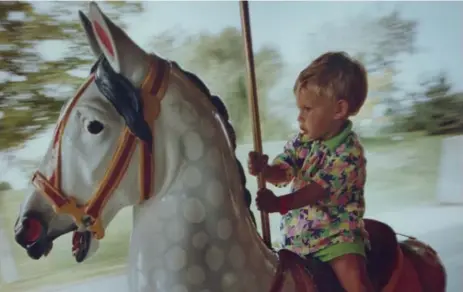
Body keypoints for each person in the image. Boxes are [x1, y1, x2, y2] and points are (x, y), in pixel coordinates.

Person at [248, 52, 374, 292]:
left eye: (307, 109)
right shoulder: (303, 141)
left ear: (339, 109)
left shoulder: (349, 153)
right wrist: (265, 170)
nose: (299, 117)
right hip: (297, 239)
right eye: (299, 108)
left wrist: (278, 204)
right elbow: (284, 171)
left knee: (356, 285)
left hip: (335, 239)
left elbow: (312, 193)